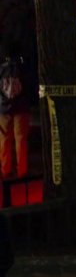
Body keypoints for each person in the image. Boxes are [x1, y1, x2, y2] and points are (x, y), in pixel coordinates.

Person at [0, 41, 29, 179]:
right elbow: (27, 87)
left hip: (4, 109)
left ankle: (6, 170)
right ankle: (22, 170)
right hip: (21, 108)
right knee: (21, 139)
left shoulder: (1, 70)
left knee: (4, 139)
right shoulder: (22, 69)